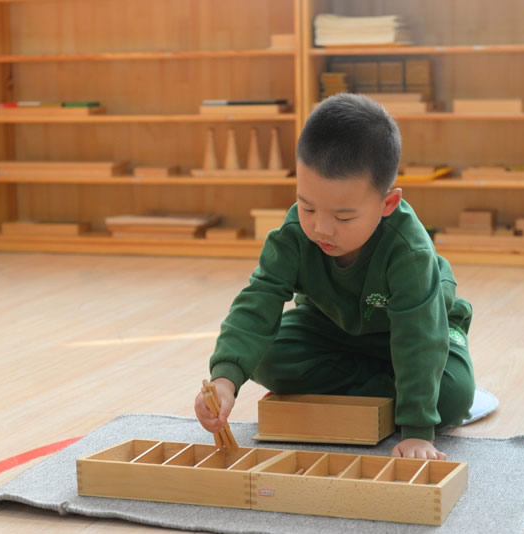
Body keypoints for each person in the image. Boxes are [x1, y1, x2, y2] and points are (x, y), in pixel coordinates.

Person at [194, 93, 475, 459]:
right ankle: (391, 388)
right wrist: (225, 379)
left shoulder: (410, 251)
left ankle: (397, 392)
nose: (321, 228)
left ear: (387, 204)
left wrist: (419, 430)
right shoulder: (295, 233)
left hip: (417, 330)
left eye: (343, 217)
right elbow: (258, 300)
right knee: (264, 359)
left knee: (453, 397)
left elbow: (419, 337)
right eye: (307, 206)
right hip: (331, 328)